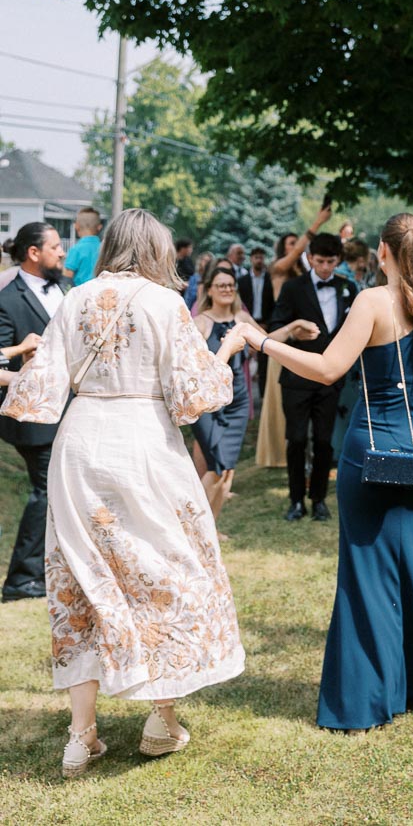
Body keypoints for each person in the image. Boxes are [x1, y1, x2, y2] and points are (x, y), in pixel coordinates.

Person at [0, 208, 248, 776]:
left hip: (81, 442)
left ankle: (80, 736)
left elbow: (41, 387)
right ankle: (161, 721)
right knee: (166, 571)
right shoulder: (165, 304)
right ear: (156, 250)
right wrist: (228, 353)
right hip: (143, 442)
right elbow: (194, 395)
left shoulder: (75, 299)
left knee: (81, 579)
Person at [244, 212, 413, 731]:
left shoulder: (372, 302)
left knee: (367, 571)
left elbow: (326, 369)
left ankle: (368, 698)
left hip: (374, 449)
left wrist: (260, 341)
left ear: (383, 253)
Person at [193, 266, 316, 524]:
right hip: (210, 401)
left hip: (237, 398)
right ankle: (195, 530)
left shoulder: (241, 318)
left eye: (230, 285)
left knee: (227, 470)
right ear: (210, 290)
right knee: (215, 466)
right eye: (221, 285)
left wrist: (293, 326)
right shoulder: (200, 322)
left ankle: (211, 530)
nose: (227, 289)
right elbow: (192, 365)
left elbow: (268, 341)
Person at [269, 232, 358, 521]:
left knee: (323, 441)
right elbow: (277, 326)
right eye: (320, 261)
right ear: (310, 258)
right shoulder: (293, 288)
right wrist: (294, 330)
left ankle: (319, 498)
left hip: (330, 379)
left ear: (338, 260)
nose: (325, 268)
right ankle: (296, 500)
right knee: (296, 440)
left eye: (331, 262)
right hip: (296, 378)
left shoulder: (348, 288)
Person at [0, 222, 67, 602]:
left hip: (64, 409)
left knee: (57, 489)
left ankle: (47, 570)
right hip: (31, 418)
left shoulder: (62, 290)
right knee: (45, 490)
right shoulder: (7, 301)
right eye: (55, 246)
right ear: (33, 253)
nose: (62, 252)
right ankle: (21, 581)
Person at [238, 247, 275, 397]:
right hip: (247, 322)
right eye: (256, 258)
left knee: (264, 362)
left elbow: (273, 303)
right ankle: (245, 397)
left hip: (266, 323)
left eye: (261, 257)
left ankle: (263, 396)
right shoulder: (243, 281)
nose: (259, 260)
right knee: (245, 360)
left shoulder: (270, 279)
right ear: (251, 259)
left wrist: (267, 323)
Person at [62, 207, 103, 286]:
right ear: (99, 227)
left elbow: (67, 278)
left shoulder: (76, 249)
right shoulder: (105, 249)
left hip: (79, 295)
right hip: (102, 294)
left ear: (76, 226)